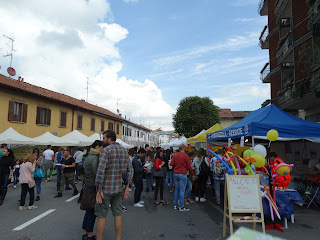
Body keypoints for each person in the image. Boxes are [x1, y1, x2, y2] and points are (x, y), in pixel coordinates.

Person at [95, 130, 132, 240]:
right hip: (119, 188)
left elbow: (100, 171)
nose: (103, 140)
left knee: (101, 215)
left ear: (110, 138)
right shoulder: (124, 151)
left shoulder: (106, 151)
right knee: (118, 214)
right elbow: (130, 170)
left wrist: (99, 189)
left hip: (106, 189)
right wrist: (127, 186)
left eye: (104, 138)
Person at [81, 140, 103, 240]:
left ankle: (85, 233)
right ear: (98, 146)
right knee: (93, 212)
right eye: (102, 148)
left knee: (88, 211)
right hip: (93, 186)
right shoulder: (94, 157)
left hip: (87, 185)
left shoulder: (88, 156)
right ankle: (89, 236)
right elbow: (96, 174)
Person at [170, 144, 194, 211]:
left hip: (175, 173)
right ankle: (181, 206)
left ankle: (175, 205)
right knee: (181, 190)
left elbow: (171, 164)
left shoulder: (175, 155)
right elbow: (189, 167)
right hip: (183, 174)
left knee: (176, 190)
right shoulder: (186, 156)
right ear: (184, 148)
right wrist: (192, 174)